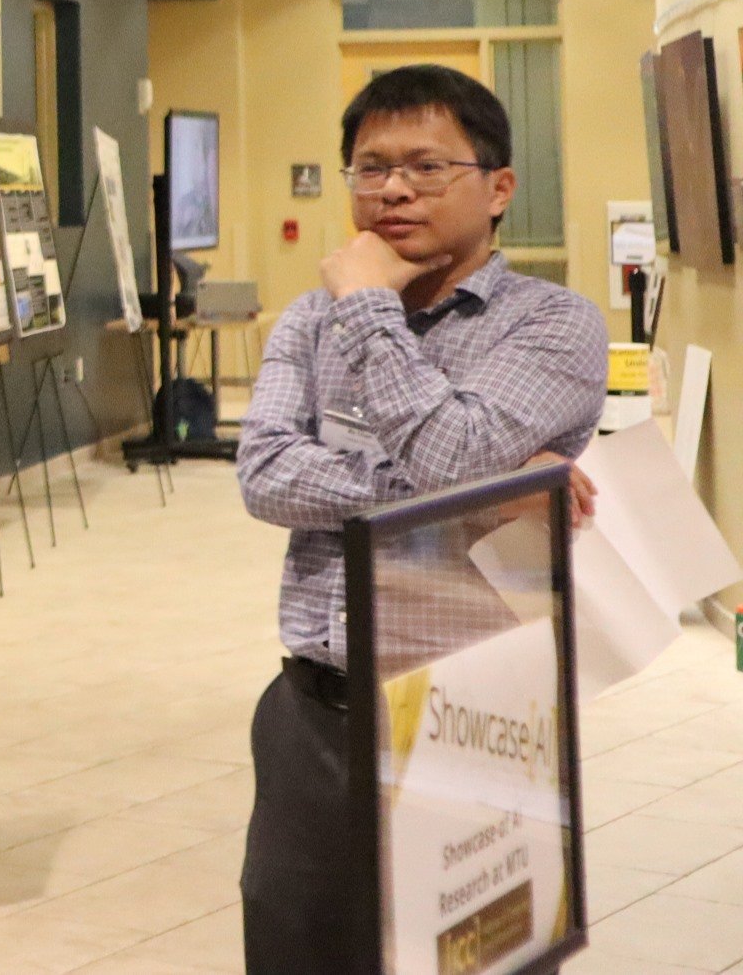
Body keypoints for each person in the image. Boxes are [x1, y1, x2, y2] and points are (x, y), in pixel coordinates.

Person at [234, 64, 606, 973]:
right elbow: (266, 475)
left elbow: (450, 456)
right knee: (300, 949)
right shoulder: (306, 324)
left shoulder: (553, 324)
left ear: (498, 185)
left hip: (477, 712)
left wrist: (367, 304)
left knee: (473, 958)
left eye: (427, 166)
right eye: (370, 167)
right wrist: (479, 482)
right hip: (316, 712)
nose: (392, 189)